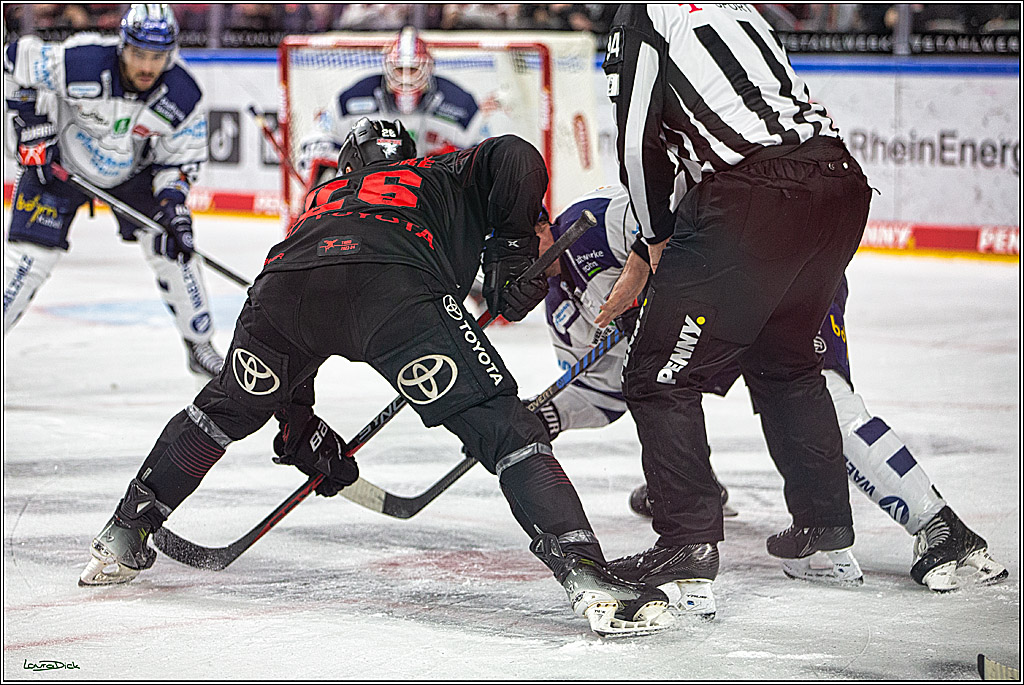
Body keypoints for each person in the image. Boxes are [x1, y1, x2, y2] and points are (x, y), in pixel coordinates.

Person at [78, 118, 675, 638]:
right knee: (507, 432)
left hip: (285, 290)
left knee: (221, 412)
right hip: (396, 291)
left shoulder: (323, 197)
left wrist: (298, 427)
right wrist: (512, 251)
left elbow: (311, 304)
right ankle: (587, 574)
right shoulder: (437, 171)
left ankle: (125, 531)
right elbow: (516, 154)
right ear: (407, 157)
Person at [531, 185, 1007, 604]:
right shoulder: (559, 307)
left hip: (776, 265)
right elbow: (603, 389)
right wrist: (547, 417)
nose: (513, 270)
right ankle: (696, 491)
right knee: (659, 379)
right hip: (718, 304)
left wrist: (651, 288)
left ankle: (937, 523)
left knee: (822, 402)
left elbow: (672, 216)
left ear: (539, 227)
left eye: (515, 248)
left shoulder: (594, 222)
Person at [596, 3, 874, 616]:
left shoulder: (642, 15)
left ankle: (687, 543)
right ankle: (825, 529)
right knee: (787, 363)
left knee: (658, 376)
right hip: (840, 184)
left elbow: (639, 141)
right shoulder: (739, 6)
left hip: (756, 195)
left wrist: (655, 237)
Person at [3, 4, 224, 378]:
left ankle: (200, 344)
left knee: (174, 249)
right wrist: (31, 125)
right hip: (58, 167)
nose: (147, 66)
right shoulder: (81, 61)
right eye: (139, 53)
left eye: (157, 56)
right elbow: (11, 62)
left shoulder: (182, 94)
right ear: (123, 46)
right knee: (26, 263)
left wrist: (173, 206)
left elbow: (179, 160)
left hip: (131, 175)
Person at [296, 26, 488, 191]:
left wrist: (451, 159)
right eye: (399, 69)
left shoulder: (462, 106)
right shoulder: (350, 100)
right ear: (387, 68)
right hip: (365, 191)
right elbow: (313, 146)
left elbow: (481, 160)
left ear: (428, 69)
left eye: (413, 70)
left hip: (430, 196)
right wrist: (350, 163)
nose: (405, 78)